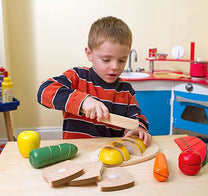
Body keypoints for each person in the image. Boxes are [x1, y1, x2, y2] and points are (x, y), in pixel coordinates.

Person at [37, 16, 151, 146]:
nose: (115, 66)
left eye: (121, 60)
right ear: (89, 54)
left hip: (110, 154)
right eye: (106, 60)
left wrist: (138, 128)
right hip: (76, 152)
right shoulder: (77, 77)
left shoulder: (126, 90)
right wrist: (83, 101)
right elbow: (44, 91)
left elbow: (136, 118)